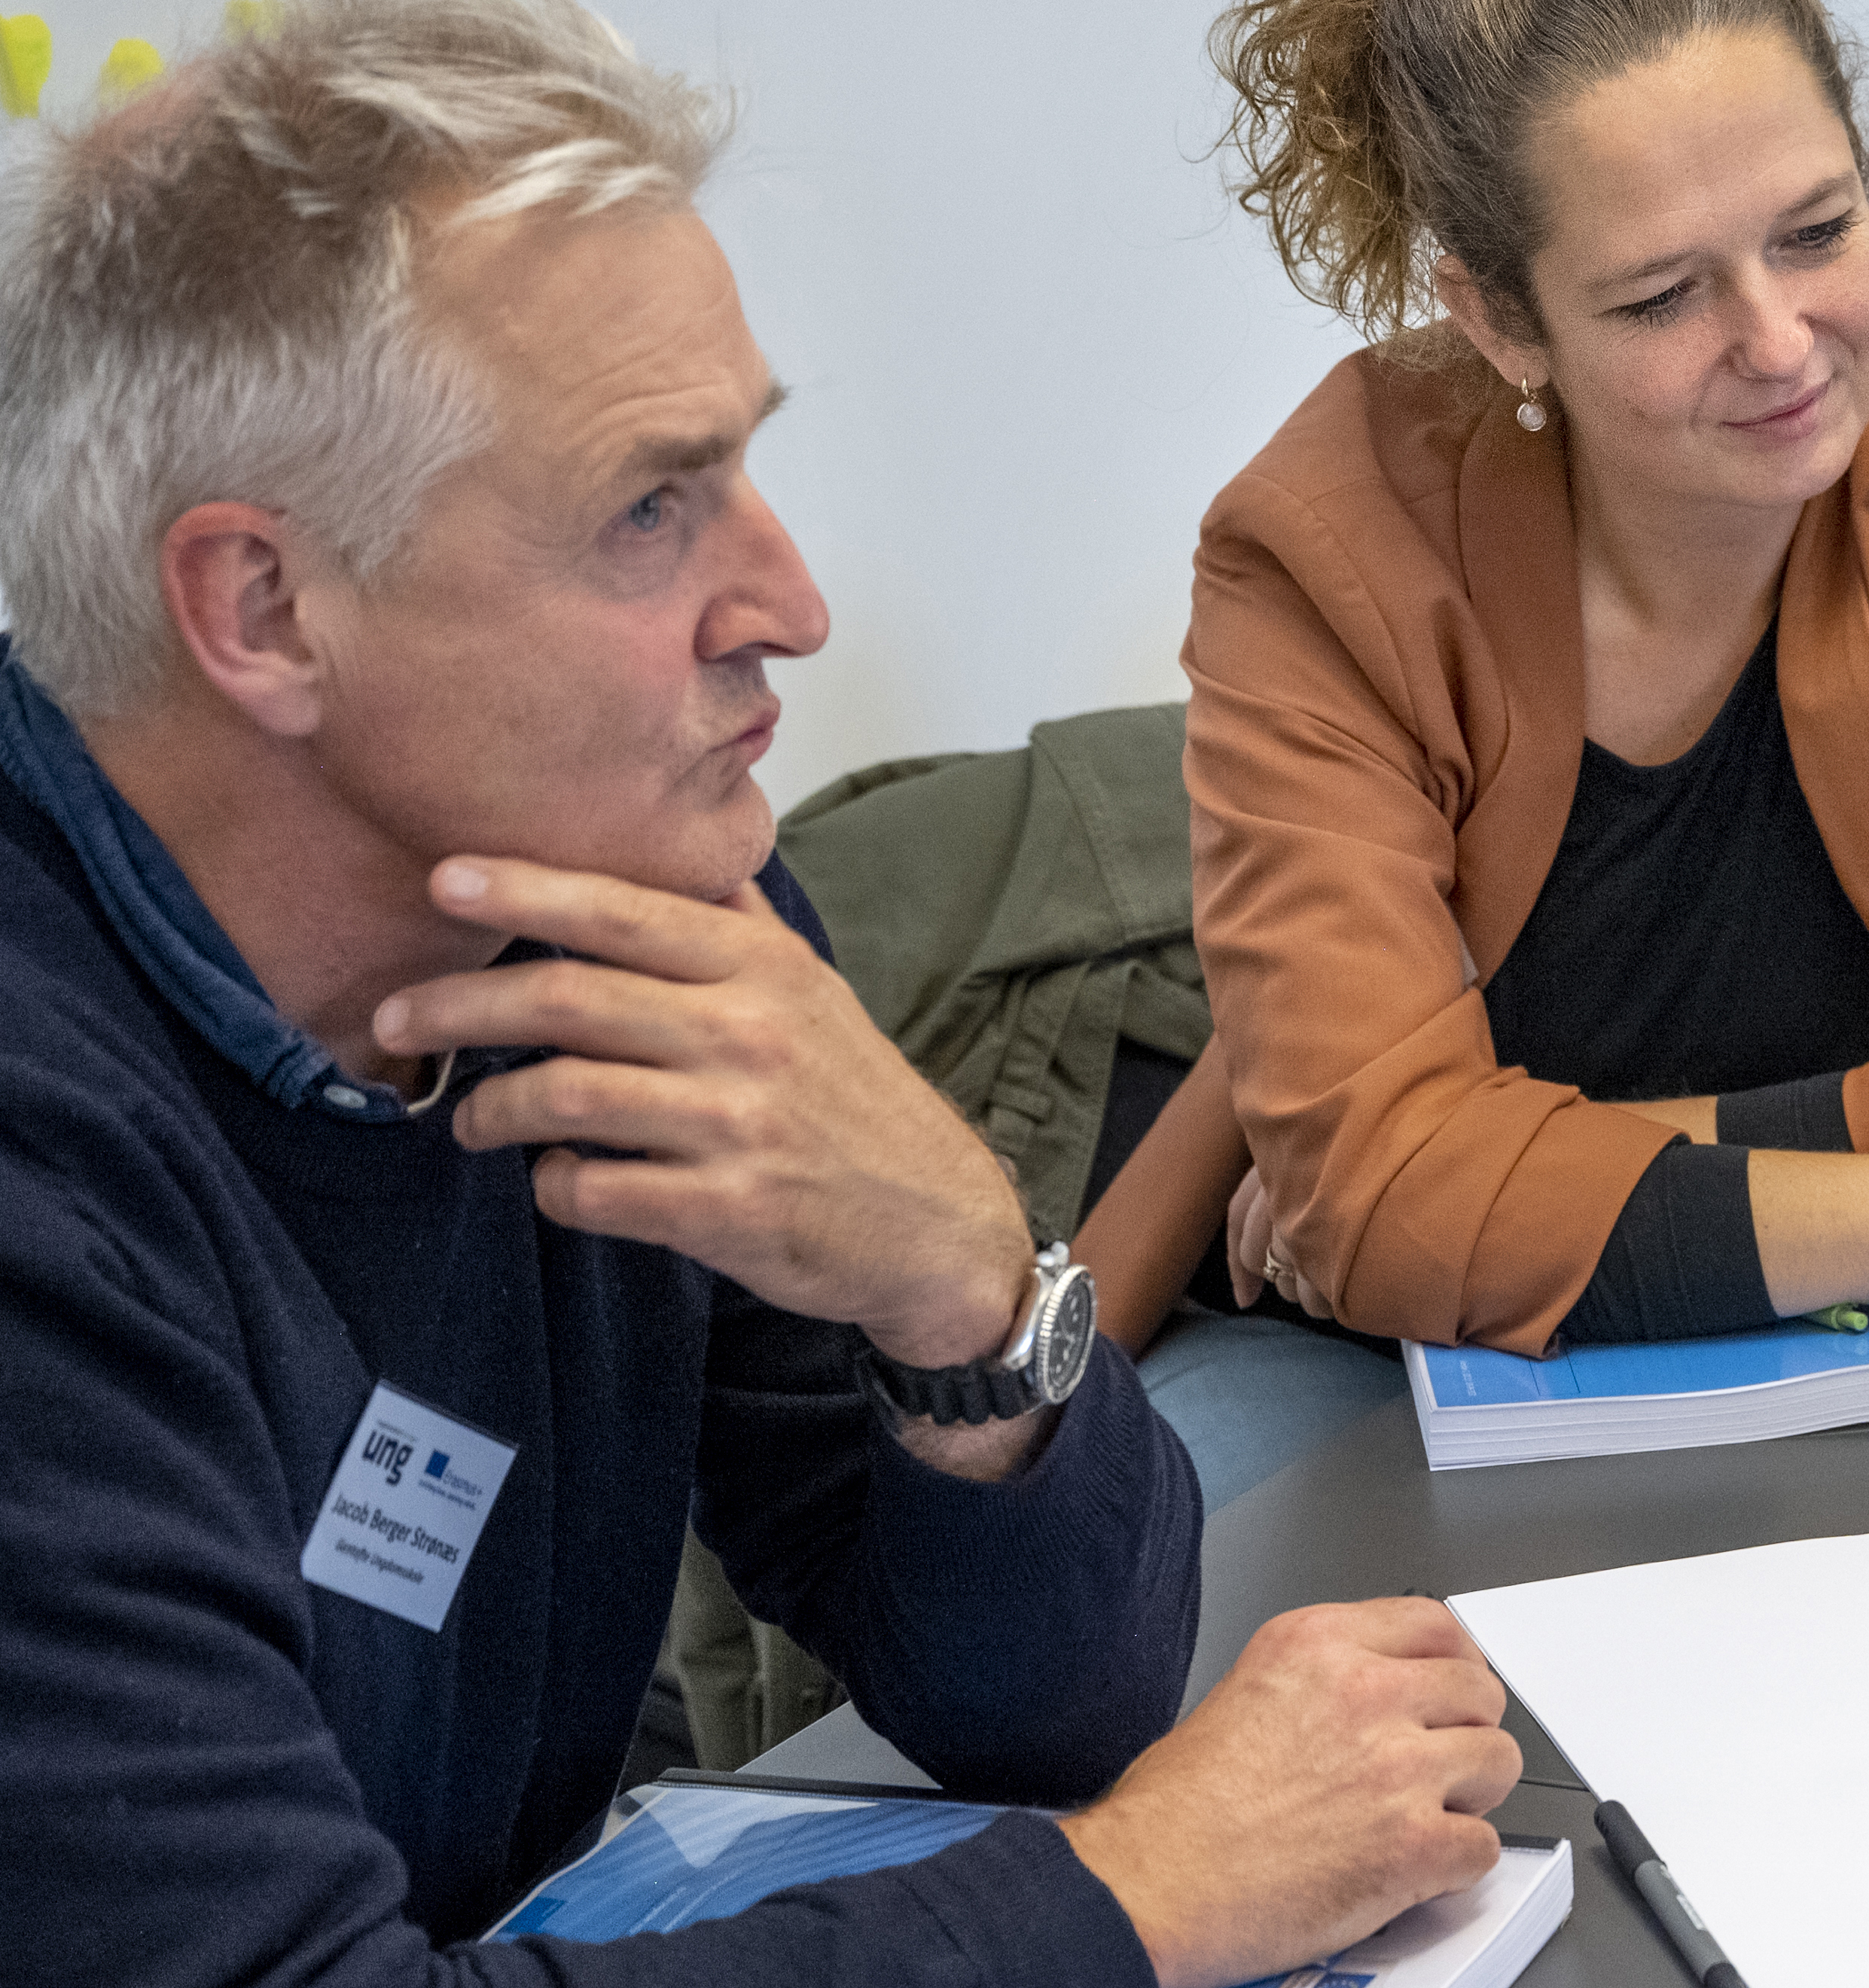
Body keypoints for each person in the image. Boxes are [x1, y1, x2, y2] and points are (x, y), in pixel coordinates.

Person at [0, 3, 1521, 1979]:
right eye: (653, 507)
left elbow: (1049, 1705)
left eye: (745, 471)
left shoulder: (621, 915)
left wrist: (974, 1286)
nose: (792, 605)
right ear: (265, 609)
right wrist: (1138, 1903)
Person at [1070, 0, 1869, 1483]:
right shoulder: (1326, 549)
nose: (1781, 343)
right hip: (1395, 1367)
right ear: (1501, 321)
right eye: (1664, 297)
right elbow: (1371, 1211)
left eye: (1817, 231)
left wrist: (1476, 1180)